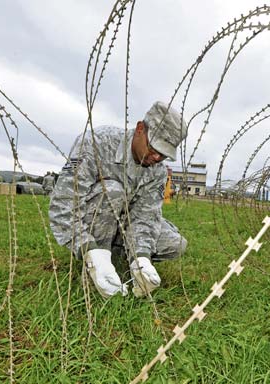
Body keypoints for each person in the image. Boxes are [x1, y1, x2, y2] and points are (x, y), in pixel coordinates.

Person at [49, 101, 188, 298]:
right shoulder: (96, 143)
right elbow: (64, 202)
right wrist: (87, 248)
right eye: (154, 148)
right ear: (140, 129)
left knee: (175, 244)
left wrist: (141, 257)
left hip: (125, 223)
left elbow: (145, 216)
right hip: (93, 216)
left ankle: (123, 259)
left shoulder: (157, 171)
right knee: (113, 190)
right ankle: (97, 260)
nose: (156, 157)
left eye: (164, 154)